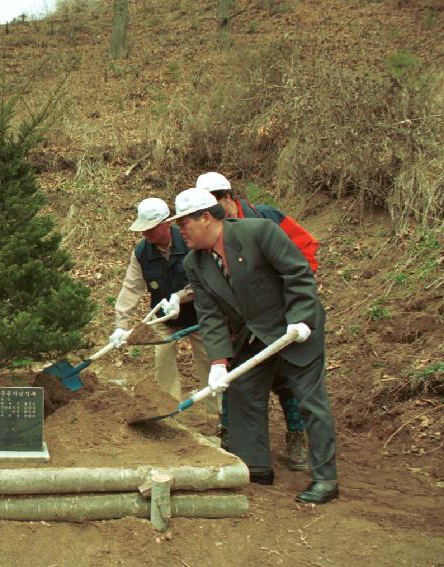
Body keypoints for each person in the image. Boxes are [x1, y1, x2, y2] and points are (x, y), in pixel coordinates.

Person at [171, 187, 338, 504]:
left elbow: (297, 273)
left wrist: (302, 317)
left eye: (184, 224)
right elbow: (210, 314)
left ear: (206, 218)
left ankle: (326, 478)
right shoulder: (195, 263)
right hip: (255, 335)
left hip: (295, 328)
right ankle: (255, 467)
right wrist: (219, 361)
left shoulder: (259, 232)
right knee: (242, 390)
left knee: (309, 400)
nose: (180, 231)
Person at [195, 171, 319, 471]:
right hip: (238, 318)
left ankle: (297, 434)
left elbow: (307, 249)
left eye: (212, 206)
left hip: (281, 315)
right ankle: (229, 432)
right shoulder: (209, 237)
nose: (208, 216)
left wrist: (289, 296)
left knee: (287, 378)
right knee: (234, 373)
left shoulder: (266, 218)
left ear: (227, 198)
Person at [109, 198, 216, 416]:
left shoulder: (190, 241)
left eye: (149, 229)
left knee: (210, 360)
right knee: (163, 358)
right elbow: (131, 288)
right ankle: (169, 410)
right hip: (163, 318)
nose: (144, 234)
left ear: (166, 224)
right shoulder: (141, 253)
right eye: (143, 229)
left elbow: (205, 280)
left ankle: (219, 414)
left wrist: (180, 297)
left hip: (198, 314)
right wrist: (121, 325)